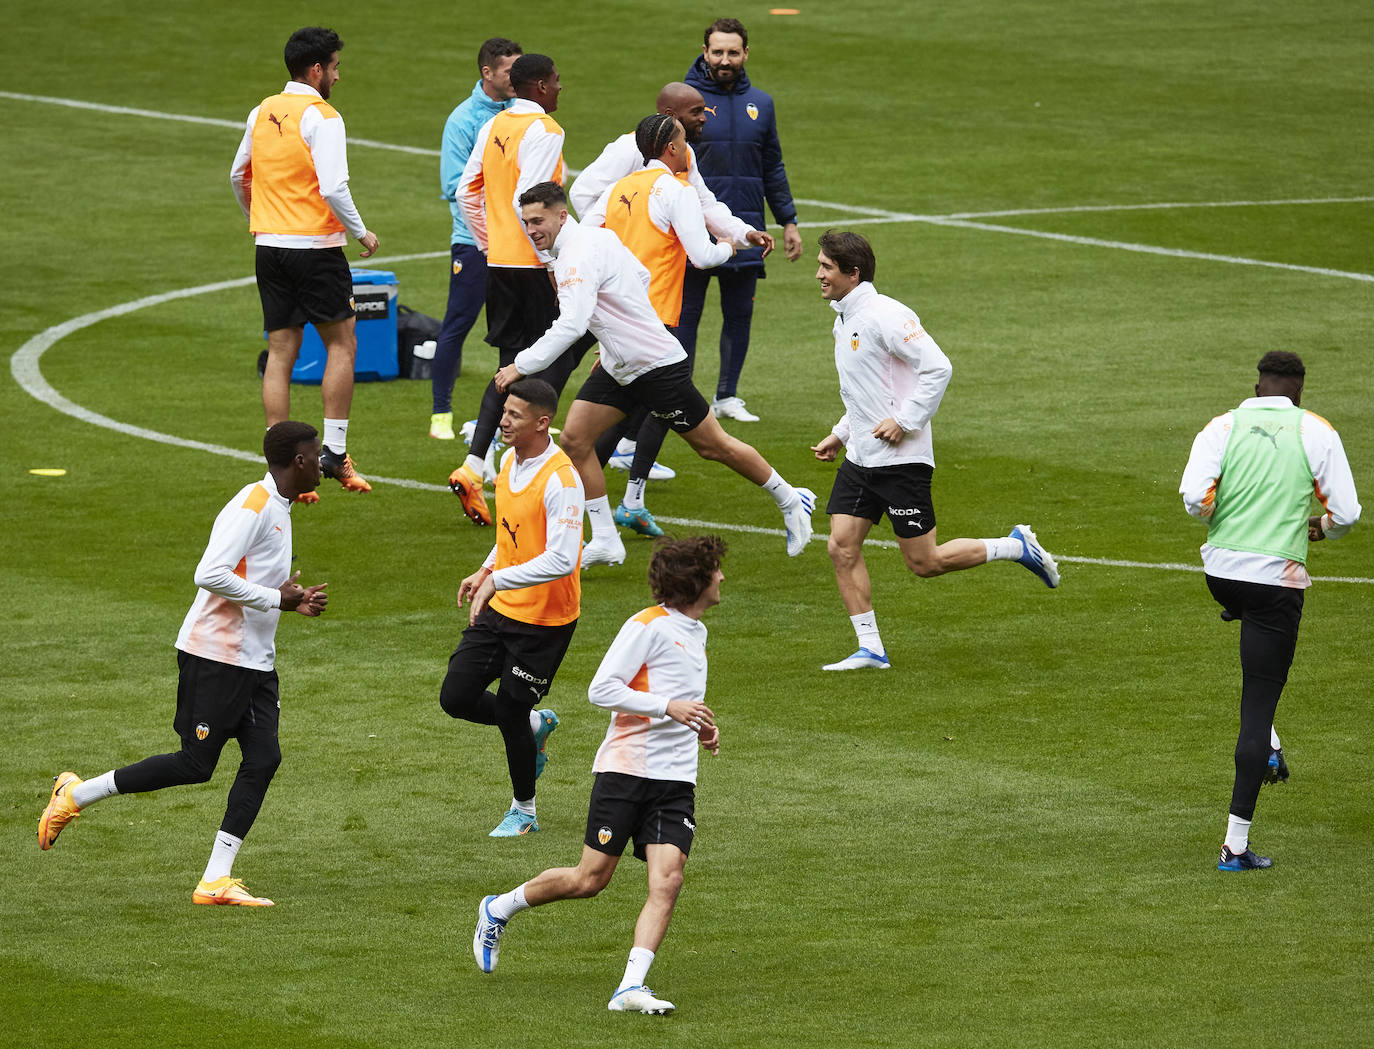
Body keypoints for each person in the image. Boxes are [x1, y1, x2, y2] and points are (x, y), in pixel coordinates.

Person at [37, 422, 329, 906]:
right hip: (215, 656)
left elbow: (253, 583)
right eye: (317, 454)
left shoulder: (280, 504)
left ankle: (215, 880)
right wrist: (274, 598)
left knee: (264, 757)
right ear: (298, 461)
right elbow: (208, 573)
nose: (322, 463)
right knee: (195, 765)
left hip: (254, 662)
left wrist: (289, 602)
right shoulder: (253, 505)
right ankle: (75, 795)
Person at [494, 182, 815, 568]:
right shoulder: (597, 239)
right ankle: (607, 540)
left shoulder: (575, 256)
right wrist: (615, 336)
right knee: (577, 439)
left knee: (713, 446)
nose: (531, 230)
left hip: (655, 367)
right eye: (526, 222)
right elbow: (640, 276)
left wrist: (519, 365)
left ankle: (792, 500)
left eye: (538, 221)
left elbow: (572, 325)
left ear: (562, 215)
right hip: (620, 365)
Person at [472, 535, 728, 1015]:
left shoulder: (697, 631)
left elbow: (677, 699)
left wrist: (700, 728)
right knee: (590, 879)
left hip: (675, 780)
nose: (721, 577)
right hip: (626, 771)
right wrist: (668, 707)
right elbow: (602, 689)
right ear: (696, 580)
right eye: (715, 570)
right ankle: (499, 908)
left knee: (668, 880)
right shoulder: (646, 626)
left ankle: (629, 987)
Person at [808, 231, 1060, 671]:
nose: (818, 274)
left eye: (827, 267)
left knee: (925, 562)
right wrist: (842, 433)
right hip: (861, 459)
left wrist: (905, 422)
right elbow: (866, 392)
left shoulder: (886, 315)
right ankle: (871, 649)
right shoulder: (843, 318)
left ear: (853, 272)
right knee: (841, 547)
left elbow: (938, 367)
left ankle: (1015, 547)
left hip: (901, 460)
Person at [1179, 351, 1360, 871]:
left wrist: (1227, 514)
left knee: (1255, 650)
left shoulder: (1221, 426)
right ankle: (1235, 847)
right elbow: (1346, 513)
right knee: (1257, 704)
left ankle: (1272, 745)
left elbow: (1196, 498)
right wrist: (1318, 530)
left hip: (1222, 575)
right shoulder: (1316, 430)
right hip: (1275, 583)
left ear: (1257, 387)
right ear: (1298, 392)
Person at [569, 81, 775, 490]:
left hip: (646, 297)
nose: (705, 117)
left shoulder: (683, 157)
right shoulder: (628, 152)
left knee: (629, 390)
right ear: (669, 120)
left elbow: (703, 203)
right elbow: (583, 193)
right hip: (623, 294)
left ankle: (618, 491)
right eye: (697, 112)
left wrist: (745, 232)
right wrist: (620, 241)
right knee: (661, 392)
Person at [231, 27, 380, 498]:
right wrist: (361, 232)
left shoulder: (262, 110)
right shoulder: (322, 115)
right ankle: (333, 452)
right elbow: (334, 187)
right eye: (335, 66)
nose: (337, 75)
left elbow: (239, 175)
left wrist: (262, 219)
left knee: (280, 352)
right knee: (342, 343)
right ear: (317, 69)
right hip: (315, 249)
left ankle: (281, 462)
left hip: (269, 247)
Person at [439, 378, 583, 837]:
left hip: (545, 620)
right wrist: (486, 570)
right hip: (502, 603)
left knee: (508, 708)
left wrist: (497, 579)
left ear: (543, 423)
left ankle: (524, 811)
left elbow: (561, 559)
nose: (502, 420)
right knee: (456, 697)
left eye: (515, 415)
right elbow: (510, 535)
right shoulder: (507, 460)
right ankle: (535, 723)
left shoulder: (562, 480)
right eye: (504, 411)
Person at [450, 54, 589, 526]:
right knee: (565, 350)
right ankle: (521, 460)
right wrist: (547, 257)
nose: (560, 88)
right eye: (555, 81)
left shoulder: (496, 125)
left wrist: (493, 243)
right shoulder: (546, 129)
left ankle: (475, 463)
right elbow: (530, 198)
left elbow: (469, 190)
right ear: (539, 85)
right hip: (533, 264)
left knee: (511, 363)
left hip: (503, 263)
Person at [680, 16, 802, 423]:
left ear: (746, 53)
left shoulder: (762, 104)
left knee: (739, 315)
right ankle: (679, 393)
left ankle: (727, 396)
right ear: (705, 52)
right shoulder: (683, 99)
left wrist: (788, 220)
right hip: (692, 229)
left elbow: (772, 166)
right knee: (685, 318)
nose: (725, 60)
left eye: (733, 52)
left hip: (746, 227)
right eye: (718, 52)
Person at [430, 37, 522, 441]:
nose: (516, 78)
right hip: (473, 242)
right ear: (487, 73)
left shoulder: (521, 114)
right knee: (458, 323)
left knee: (518, 330)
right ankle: (440, 414)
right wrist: (494, 227)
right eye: (509, 71)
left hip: (518, 243)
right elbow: (455, 186)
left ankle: (513, 416)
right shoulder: (464, 120)